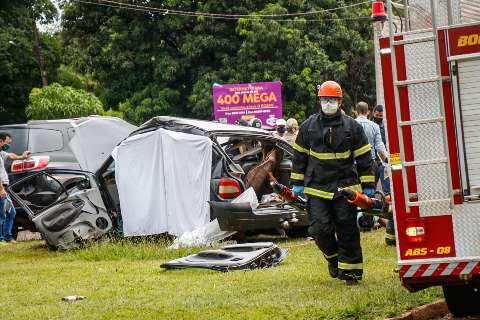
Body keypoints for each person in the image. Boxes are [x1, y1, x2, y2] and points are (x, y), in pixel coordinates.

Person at [290, 81, 374, 285]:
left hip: (344, 188)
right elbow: (299, 156)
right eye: (324, 100)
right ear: (319, 101)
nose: (328, 103)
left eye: (332, 100)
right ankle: (333, 259)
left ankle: (352, 274)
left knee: (347, 229)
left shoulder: (352, 127)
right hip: (316, 187)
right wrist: (297, 183)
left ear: (340, 101)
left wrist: (369, 187)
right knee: (319, 230)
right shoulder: (308, 126)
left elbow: (364, 158)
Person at [354, 102, 388, 231]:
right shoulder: (374, 126)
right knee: (370, 192)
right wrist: (386, 160)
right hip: (370, 164)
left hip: (354, 164)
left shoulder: (350, 124)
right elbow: (379, 146)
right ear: (368, 112)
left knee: (356, 193)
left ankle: (356, 222)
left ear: (356, 112)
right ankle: (368, 221)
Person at [0, 132, 31, 244]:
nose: (8, 145)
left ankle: (7, 237)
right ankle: (2, 239)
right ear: (1, 141)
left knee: (10, 212)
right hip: (1, 188)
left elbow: (10, 155)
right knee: (2, 213)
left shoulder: (1, 153)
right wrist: (1, 190)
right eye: (7, 143)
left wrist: (22, 157)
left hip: (4, 188)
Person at [372, 105, 395, 246]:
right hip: (381, 162)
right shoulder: (376, 126)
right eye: (378, 115)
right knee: (385, 195)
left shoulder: (385, 126)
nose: (379, 117)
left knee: (389, 195)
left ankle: (389, 231)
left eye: (381, 115)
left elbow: (384, 146)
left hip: (384, 163)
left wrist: (387, 162)